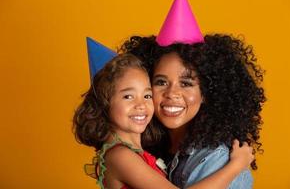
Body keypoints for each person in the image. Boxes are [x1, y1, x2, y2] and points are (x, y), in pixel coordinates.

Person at [73, 53, 255, 189]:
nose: (141, 104)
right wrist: (235, 166)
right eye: (128, 96)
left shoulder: (139, 153)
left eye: (147, 95)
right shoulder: (121, 156)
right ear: (105, 104)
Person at [121, 33, 266, 189]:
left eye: (186, 83)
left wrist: (234, 167)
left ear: (205, 93)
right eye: (161, 82)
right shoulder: (146, 148)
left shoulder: (217, 159)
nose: (171, 93)